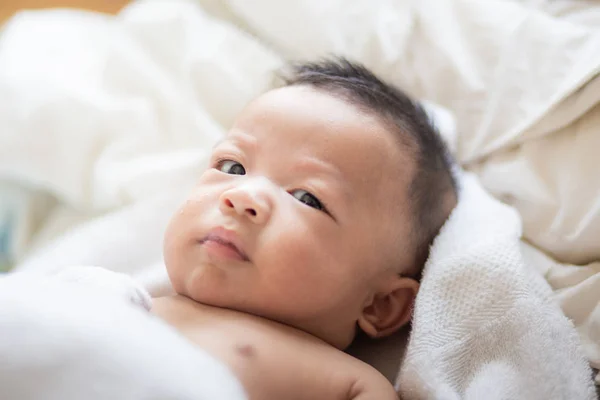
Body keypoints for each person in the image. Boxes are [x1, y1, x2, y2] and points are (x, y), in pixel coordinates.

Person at [72, 57, 458, 399]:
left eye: (307, 198)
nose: (242, 196)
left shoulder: (346, 381)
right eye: (232, 168)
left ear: (379, 305)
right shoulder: (127, 299)